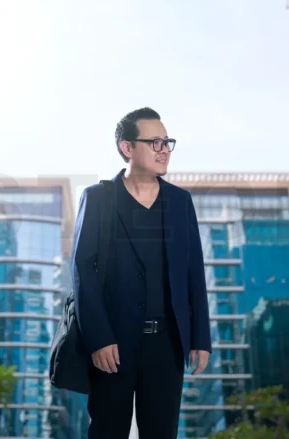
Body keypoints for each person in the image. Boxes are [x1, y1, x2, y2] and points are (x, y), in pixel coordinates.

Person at [72, 107, 212, 438]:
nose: (165, 149)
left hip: (168, 344)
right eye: (155, 142)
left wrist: (200, 338)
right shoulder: (98, 198)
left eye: (168, 142)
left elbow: (194, 272)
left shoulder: (180, 202)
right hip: (112, 346)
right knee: (108, 432)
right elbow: (82, 270)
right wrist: (99, 337)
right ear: (127, 148)